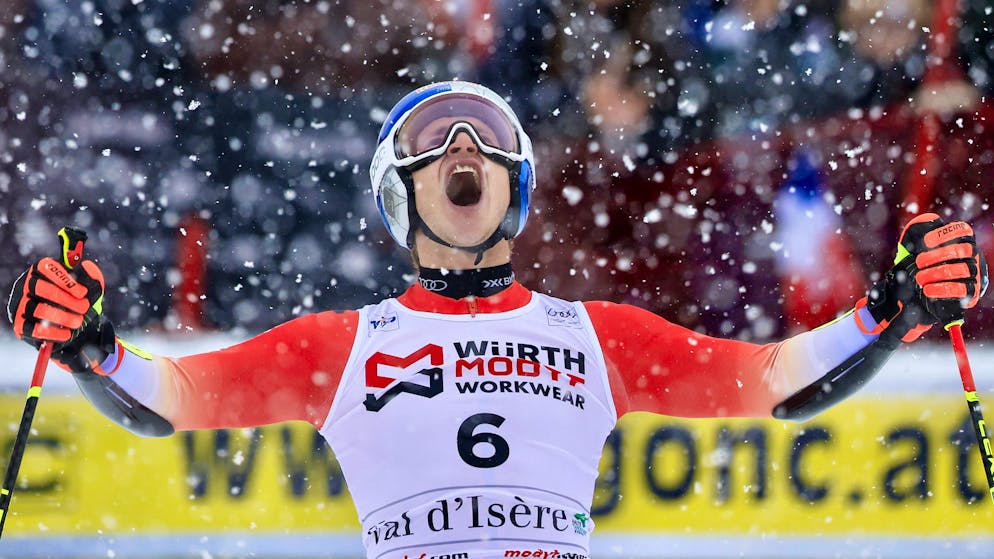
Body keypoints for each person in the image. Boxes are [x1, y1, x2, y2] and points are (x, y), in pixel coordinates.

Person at [6, 81, 988, 558]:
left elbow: (775, 385)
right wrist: (92, 346)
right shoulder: (342, 346)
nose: (462, 148)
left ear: (513, 188)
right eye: (434, 143)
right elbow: (171, 399)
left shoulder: (596, 336)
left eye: (482, 139)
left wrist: (888, 310)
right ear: (399, 196)